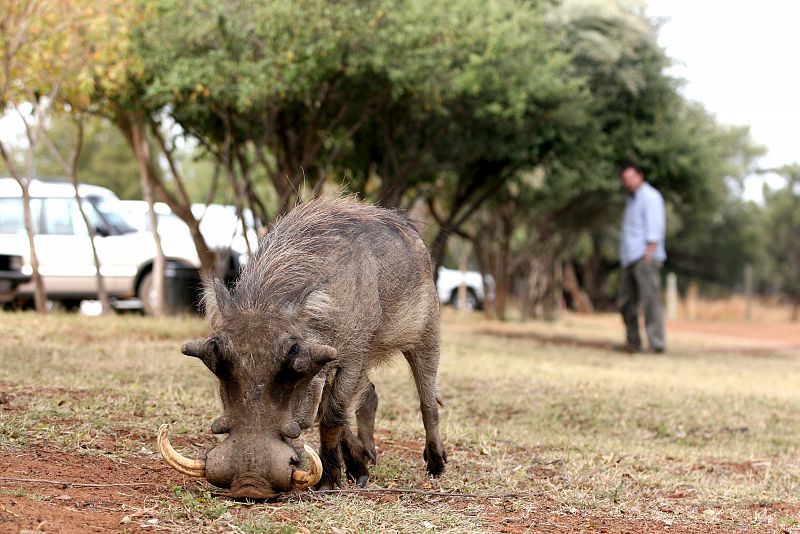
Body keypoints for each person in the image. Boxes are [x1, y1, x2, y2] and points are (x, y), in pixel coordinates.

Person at [617, 162, 666, 353]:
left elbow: (655, 226)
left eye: (631, 178)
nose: (628, 182)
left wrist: (649, 254)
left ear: (640, 176)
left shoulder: (650, 197)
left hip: (645, 257)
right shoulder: (631, 199)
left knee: (650, 301)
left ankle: (656, 344)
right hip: (629, 257)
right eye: (625, 179)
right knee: (626, 302)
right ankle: (633, 342)